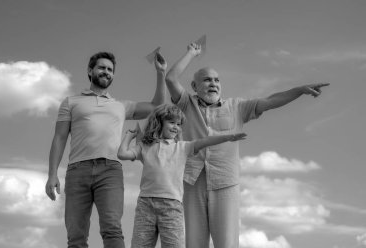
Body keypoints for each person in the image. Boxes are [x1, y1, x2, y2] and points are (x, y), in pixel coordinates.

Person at [165, 42, 330, 248]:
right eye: (207, 80)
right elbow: (170, 78)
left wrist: (299, 90)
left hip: (225, 183)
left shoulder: (237, 107)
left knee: (227, 244)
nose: (213, 84)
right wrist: (191, 52)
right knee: (194, 244)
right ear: (194, 86)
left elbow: (271, 101)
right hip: (192, 181)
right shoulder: (185, 105)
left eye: (217, 80)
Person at [45, 51, 167, 248]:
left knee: (112, 229)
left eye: (110, 70)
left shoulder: (121, 106)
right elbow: (59, 138)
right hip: (78, 171)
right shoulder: (71, 102)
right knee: (76, 235)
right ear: (90, 70)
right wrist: (52, 175)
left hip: (110, 171)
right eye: (102, 68)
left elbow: (156, 106)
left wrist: (161, 73)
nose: (106, 72)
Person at [117, 103, 247, 248]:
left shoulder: (182, 147)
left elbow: (204, 141)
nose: (176, 127)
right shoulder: (145, 146)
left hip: (171, 206)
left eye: (178, 124)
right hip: (145, 205)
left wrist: (227, 137)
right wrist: (129, 136)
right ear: (159, 122)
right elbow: (122, 154)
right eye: (171, 122)